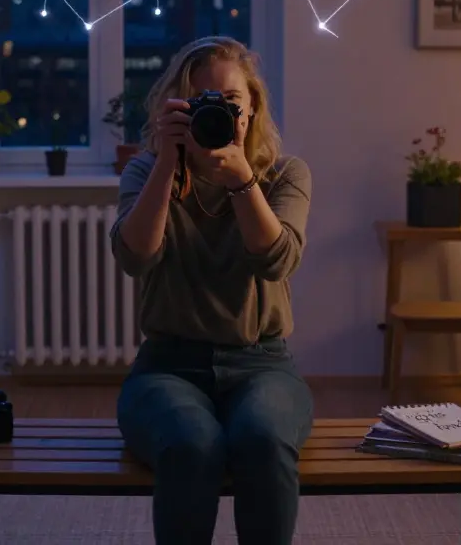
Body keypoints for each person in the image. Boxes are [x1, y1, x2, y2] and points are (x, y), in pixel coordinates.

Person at [111, 36, 314, 545]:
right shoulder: (144, 171)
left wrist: (243, 179)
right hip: (167, 365)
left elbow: (278, 261)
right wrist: (165, 163)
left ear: (252, 111)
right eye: (203, 103)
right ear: (175, 109)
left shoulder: (284, 174)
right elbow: (133, 257)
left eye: (230, 104)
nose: (219, 116)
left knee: (264, 438)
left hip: (262, 362)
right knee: (191, 442)